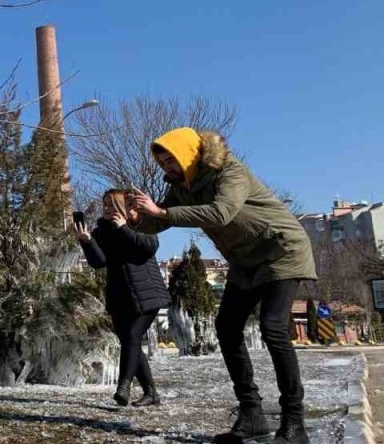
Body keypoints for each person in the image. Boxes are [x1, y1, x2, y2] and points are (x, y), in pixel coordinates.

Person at [129, 128, 317, 444]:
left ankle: (294, 423)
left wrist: (161, 212)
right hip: (244, 261)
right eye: (162, 164)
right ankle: (252, 413)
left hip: (280, 250)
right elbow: (160, 221)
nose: (168, 169)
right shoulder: (180, 187)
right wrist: (136, 218)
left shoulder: (230, 170)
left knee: (272, 327)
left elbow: (221, 213)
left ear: (189, 153)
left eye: (171, 160)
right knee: (227, 327)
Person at [75, 190, 170, 407]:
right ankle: (151, 393)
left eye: (111, 204)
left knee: (132, 335)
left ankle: (123, 386)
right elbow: (99, 263)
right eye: (104, 204)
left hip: (148, 294)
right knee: (130, 341)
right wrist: (87, 241)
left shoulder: (141, 224)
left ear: (123, 206)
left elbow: (148, 247)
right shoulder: (102, 231)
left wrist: (124, 228)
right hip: (119, 297)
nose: (106, 208)